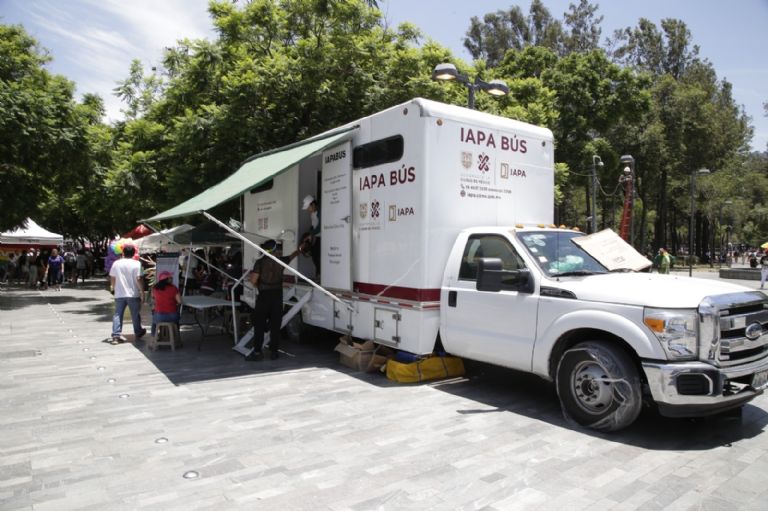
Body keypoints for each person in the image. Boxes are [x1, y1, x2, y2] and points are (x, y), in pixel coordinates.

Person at [246, 239, 304, 361]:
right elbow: (292, 256)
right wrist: (299, 249)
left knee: (259, 325)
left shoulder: (260, 263)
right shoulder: (281, 261)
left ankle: (257, 352)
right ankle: (274, 352)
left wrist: (258, 286)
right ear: (275, 250)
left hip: (264, 296)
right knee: (275, 325)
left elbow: (253, 280)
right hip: (277, 295)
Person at [109, 244, 146, 343]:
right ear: (134, 253)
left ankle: (116, 335)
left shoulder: (116, 263)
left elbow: (112, 277)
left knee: (117, 314)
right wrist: (142, 292)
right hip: (133, 293)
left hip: (119, 293)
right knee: (135, 314)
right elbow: (139, 279)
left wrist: (114, 288)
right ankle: (138, 332)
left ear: (123, 253)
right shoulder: (137, 263)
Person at [151, 270, 181, 338]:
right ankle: (176, 336)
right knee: (177, 321)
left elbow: (153, 301)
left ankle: (154, 337)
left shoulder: (154, 288)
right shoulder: (174, 288)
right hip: (173, 316)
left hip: (159, 317)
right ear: (166, 279)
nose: (172, 279)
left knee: (154, 323)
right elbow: (179, 301)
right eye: (170, 278)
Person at [302, 194, 321, 278]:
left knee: (318, 256)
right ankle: (318, 274)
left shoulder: (320, 212)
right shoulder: (312, 214)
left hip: (322, 237)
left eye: (308, 208)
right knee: (314, 255)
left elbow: (320, 227)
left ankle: (320, 274)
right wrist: (310, 233)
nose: (308, 210)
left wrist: (311, 234)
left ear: (313, 205)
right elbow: (313, 226)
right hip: (316, 237)